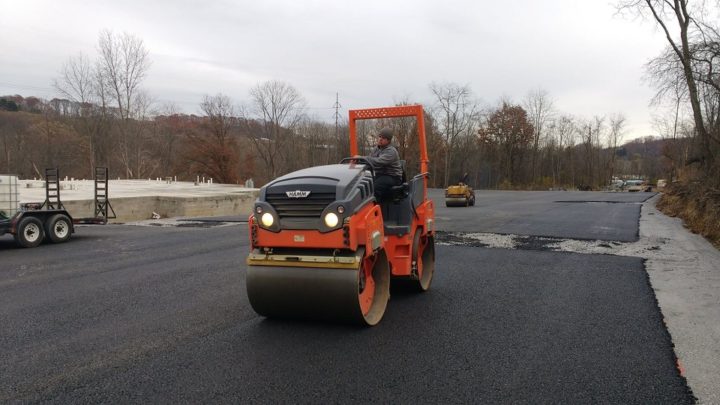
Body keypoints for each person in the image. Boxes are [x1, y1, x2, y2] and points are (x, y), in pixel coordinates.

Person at [358, 127, 403, 203]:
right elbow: (370, 161)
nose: (380, 139)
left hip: (392, 177)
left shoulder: (391, 151)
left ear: (388, 140)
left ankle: (375, 209)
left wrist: (361, 158)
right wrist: (359, 162)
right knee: (361, 184)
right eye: (380, 136)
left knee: (375, 188)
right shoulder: (376, 149)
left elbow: (378, 162)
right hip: (379, 175)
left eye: (383, 138)